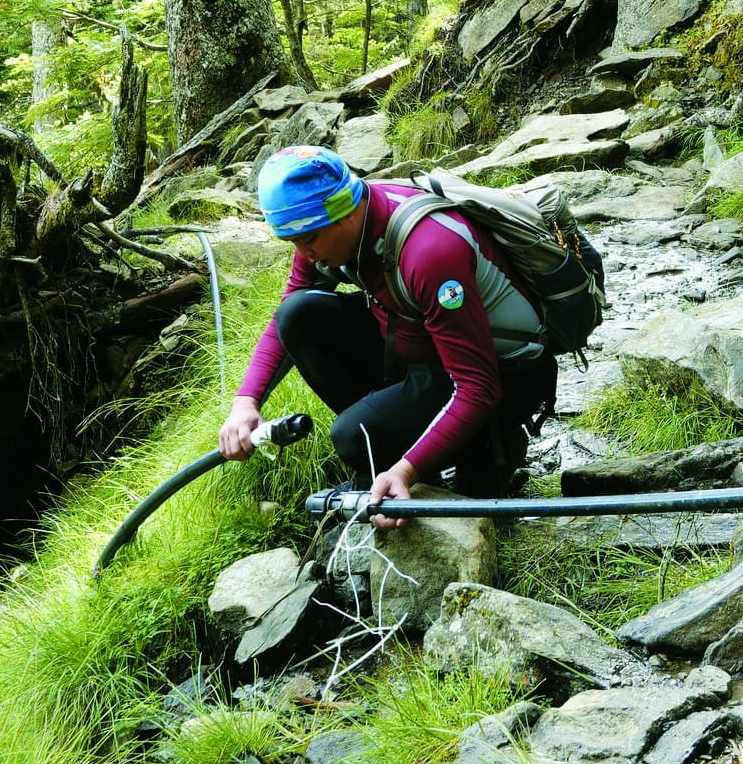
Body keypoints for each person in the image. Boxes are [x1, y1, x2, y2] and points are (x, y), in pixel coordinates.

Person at [218, 146, 557, 527]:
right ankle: (395, 449)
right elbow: (287, 311)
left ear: (343, 214)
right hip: (423, 349)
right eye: (294, 242)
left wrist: (406, 471)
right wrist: (245, 402)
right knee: (298, 314)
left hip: (502, 374)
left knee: (351, 435)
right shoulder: (328, 222)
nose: (304, 254)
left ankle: (480, 447)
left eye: (307, 239)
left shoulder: (429, 251)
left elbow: (478, 386)